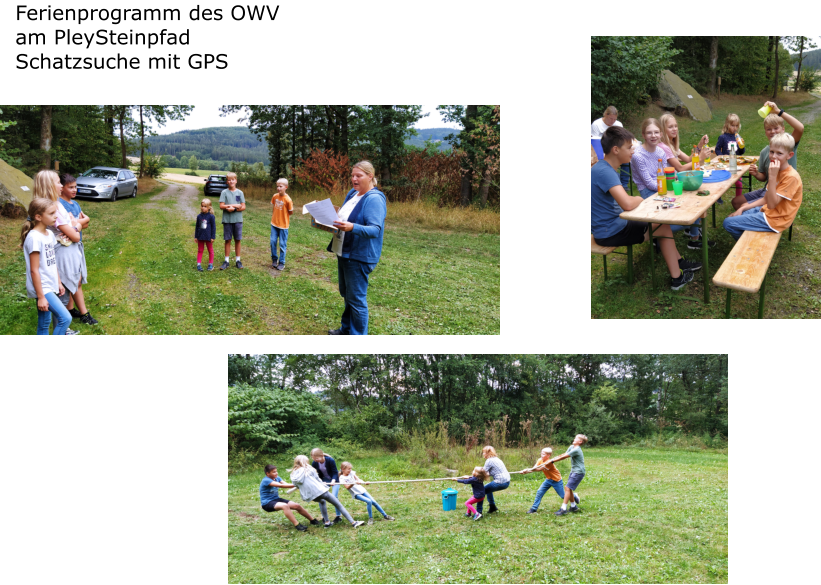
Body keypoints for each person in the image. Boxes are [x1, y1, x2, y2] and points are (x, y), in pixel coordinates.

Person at [592, 126, 702, 290]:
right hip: (610, 231)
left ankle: (680, 265)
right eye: (629, 147)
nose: (632, 151)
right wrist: (637, 198)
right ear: (615, 150)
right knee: (663, 226)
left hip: (611, 226)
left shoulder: (602, 167)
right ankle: (677, 277)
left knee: (662, 226)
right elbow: (628, 204)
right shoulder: (605, 172)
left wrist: (632, 200)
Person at [327, 160, 387, 335]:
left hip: (359, 256)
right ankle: (346, 329)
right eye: (352, 175)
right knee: (347, 295)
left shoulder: (374, 199)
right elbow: (342, 216)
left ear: (370, 176)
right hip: (344, 251)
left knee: (356, 299)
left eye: (358, 176)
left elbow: (375, 230)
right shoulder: (353, 193)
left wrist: (351, 227)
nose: (354, 179)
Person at [34, 170, 90, 333]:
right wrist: (78, 225)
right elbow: (75, 235)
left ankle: (62, 328)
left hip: (68, 252)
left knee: (65, 289)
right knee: (62, 291)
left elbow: (76, 226)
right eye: (58, 182)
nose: (61, 185)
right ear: (49, 185)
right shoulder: (53, 207)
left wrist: (77, 224)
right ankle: (62, 329)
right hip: (63, 254)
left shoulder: (54, 204)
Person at [723, 132, 802, 240]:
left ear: (789, 155)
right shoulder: (776, 169)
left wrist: (772, 176)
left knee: (728, 223)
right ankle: (749, 239)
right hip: (768, 212)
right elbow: (766, 198)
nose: (774, 156)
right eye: (772, 151)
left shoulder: (791, 177)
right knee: (741, 210)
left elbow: (771, 205)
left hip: (776, 220)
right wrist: (743, 207)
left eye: (779, 153)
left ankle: (748, 245)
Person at [730, 101, 804, 211]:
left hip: (781, 192)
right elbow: (763, 177)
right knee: (736, 202)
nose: (772, 131)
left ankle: (756, 216)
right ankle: (749, 218)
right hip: (767, 189)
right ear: (765, 132)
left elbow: (800, 128)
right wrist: (756, 174)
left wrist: (779, 112)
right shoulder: (765, 152)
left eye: (776, 128)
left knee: (746, 208)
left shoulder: (788, 144)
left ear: (783, 129)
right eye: (769, 129)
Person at [656, 115, 712, 249]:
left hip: (676, 182)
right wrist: (700, 159)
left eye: (675, 126)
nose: (674, 129)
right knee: (695, 203)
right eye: (670, 127)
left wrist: (699, 146)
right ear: (663, 129)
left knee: (698, 199)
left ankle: (693, 233)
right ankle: (690, 235)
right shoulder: (664, 147)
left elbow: (688, 159)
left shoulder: (671, 145)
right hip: (670, 186)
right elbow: (680, 168)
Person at [19, 197, 72, 335]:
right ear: (38, 216)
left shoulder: (49, 234)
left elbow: (52, 261)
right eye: (51, 213)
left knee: (44, 323)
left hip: (50, 283)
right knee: (65, 318)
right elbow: (34, 270)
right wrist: (41, 296)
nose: (56, 216)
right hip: (42, 287)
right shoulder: (34, 238)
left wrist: (59, 282)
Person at [57, 173, 97, 323]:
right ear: (61, 188)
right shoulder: (60, 204)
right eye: (71, 187)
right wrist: (83, 221)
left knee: (74, 278)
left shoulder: (75, 204)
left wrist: (81, 222)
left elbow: (83, 225)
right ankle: (84, 314)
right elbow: (76, 225)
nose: (75, 190)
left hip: (75, 245)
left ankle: (70, 308)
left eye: (76, 187)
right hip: (66, 246)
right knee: (74, 279)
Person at [288, 455, 364, 528]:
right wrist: (321, 483)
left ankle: (327, 522)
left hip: (310, 496)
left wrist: (321, 483)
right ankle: (353, 523)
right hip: (320, 491)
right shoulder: (309, 469)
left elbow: (297, 485)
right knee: (338, 504)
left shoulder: (293, 474)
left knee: (322, 502)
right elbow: (317, 479)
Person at [260, 464, 321, 531]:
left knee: (297, 506)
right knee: (285, 506)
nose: (276, 473)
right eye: (274, 472)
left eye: (276, 471)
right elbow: (281, 486)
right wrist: (298, 484)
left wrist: (299, 484)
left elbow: (285, 484)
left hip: (276, 499)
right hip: (267, 503)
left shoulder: (277, 478)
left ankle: (313, 520)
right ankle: (297, 525)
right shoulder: (266, 480)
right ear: (267, 473)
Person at [518, 447, 578, 513]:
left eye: (543, 454)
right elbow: (534, 468)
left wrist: (526, 470)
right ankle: (534, 509)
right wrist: (525, 471)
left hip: (556, 480)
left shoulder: (549, 462)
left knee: (563, 496)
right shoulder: (539, 460)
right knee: (539, 492)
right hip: (548, 480)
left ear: (548, 456)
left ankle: (574, 495)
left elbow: (538, 469)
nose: (541, 455)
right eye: (541, 453)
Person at [591, 106, 630, 191]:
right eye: (610, 118)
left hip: (615, 149)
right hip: (601, 149)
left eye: (614, 119)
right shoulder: (596, 124)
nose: (612, 121)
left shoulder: (618, 124)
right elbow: (594, 142)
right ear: (605, 115)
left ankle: (624, 184)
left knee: (626, 159)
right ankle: (609, 183)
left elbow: (622, 140)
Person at [549, 434, 588, 516]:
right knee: (569, 489)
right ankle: (574, 507)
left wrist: (552, 461)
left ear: (580, 441)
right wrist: (553, 459)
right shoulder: (572, 447)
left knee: (567, 488)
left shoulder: (577, 449)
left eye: (576, 438)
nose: (574, 439)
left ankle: (563, 509)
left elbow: (565, 457)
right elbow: (564, 454)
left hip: (579, 472)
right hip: (574, 471)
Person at [713, 113, 746, 204]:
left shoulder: (738, 137)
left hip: (736, 163)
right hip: (726, 163)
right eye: (732, 125)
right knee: (722, 181)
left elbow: (741, 152)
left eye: (736, 126)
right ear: (727, 125)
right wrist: (722, 156)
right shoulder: (723, 137)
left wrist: (742, 146)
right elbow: (717, 149)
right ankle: (718, 197)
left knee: (739, 182)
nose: (734, 128)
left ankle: (738, 199)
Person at [472, 445, 510, 516]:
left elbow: (482, 473)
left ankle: (478, 512)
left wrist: (472, 477)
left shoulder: (489, 461)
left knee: (482, 491)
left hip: (500, 482)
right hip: (507, 482)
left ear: (488, 453)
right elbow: (488, 472)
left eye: (484, 452)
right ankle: (492, 506)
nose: (483, 454)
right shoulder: (497, 459)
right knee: (488, 489)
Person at [219, 172, 246, 270]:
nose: (231, 181)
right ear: (227, 181)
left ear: (236, 180)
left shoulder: (240, 193)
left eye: (233, 179)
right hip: (227, 220)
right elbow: (221, 206)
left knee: (237, 239)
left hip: (238, 220)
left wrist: (234, 209)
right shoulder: (224, 193)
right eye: (229, 180)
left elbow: (243, 206)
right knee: (228, 240)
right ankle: (226, 261)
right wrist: (234, 206)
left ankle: (238, 260)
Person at [310, 448, 344, 523]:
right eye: (314, 459)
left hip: (334, 479)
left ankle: (338, 516)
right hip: (324, 481)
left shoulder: (330, 460)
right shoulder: (314, 463)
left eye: (316, 458)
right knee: (321, 498)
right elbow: (315, 475)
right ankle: (324, 517)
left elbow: (335, 472)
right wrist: (321, 482)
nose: (315, 460)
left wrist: (333, 480)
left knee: (334, 497)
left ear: (322, 455)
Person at [270, 178, 294, 271]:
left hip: (283, 226)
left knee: (282, 244)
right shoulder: (275, 196)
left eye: (280, 186)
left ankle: (281, 262)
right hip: (274, 224)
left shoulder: (288, 200)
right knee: (272, 242)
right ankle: (274, 259)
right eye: (277, 186)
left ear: (286, 187)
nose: (278, 188)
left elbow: (290, 212)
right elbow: (274, 208)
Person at [194, 198, 216, 272]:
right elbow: (197, 227)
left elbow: (213, 227)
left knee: (210, 250)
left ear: (209, 207)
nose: (203, 208)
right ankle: (198, 265)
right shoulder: (199, 216)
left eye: (205, 206)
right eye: (202, 206)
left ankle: (210, 264)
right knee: (200, 250)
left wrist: (213, 237)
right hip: (200, 237)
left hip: (208, 237)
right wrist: (196, 236)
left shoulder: (211, 216)